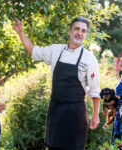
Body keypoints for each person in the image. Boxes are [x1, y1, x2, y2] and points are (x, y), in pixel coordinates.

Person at [13, 16, 100, 150]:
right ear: (70, 31)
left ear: (85, 35)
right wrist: (20, 32)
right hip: (56, 112)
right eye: (77, 29)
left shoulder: (89, 58)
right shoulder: (56, 50)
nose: (80, 33)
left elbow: (94, 90)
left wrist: (95, 115)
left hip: (76, 114)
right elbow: (33, 50)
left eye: (83, 31)